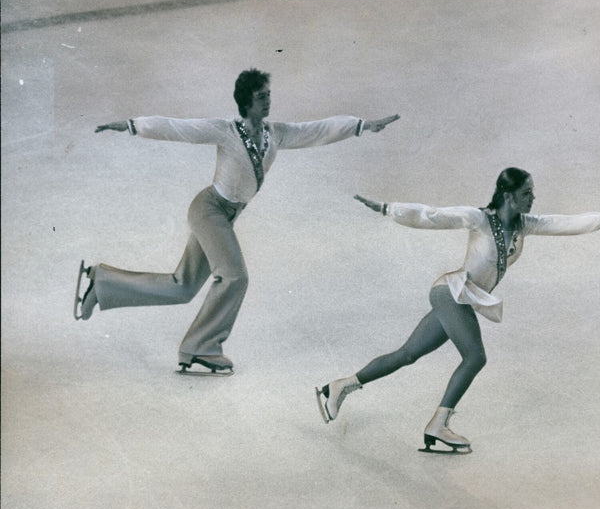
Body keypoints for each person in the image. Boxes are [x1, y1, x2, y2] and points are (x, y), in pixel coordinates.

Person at [74, 68, 399, 373]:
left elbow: (315, 130)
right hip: (209, 210)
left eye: (269, 94)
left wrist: (360, 125)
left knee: (183, 287)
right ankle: (201, 346)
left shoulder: (276, 134)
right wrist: (132, 125)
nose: (268, 100)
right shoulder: (226, 131)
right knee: (235, 277)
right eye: (262, 96)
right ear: (247, 102)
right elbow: (178, 127)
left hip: (226, 216)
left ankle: (101, 284)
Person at [315, 167, 600, 453]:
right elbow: (433, 215)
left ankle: (342, 385)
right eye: (527, 193)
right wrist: (389, 209)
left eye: (533, 192)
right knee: (475, 357)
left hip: (462, 298)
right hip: (450, 292)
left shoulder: (525, 225)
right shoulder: (480, 218)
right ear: (509, 196)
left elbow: (562, 223)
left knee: (407, 354)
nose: (533, 198)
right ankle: (438, 424)